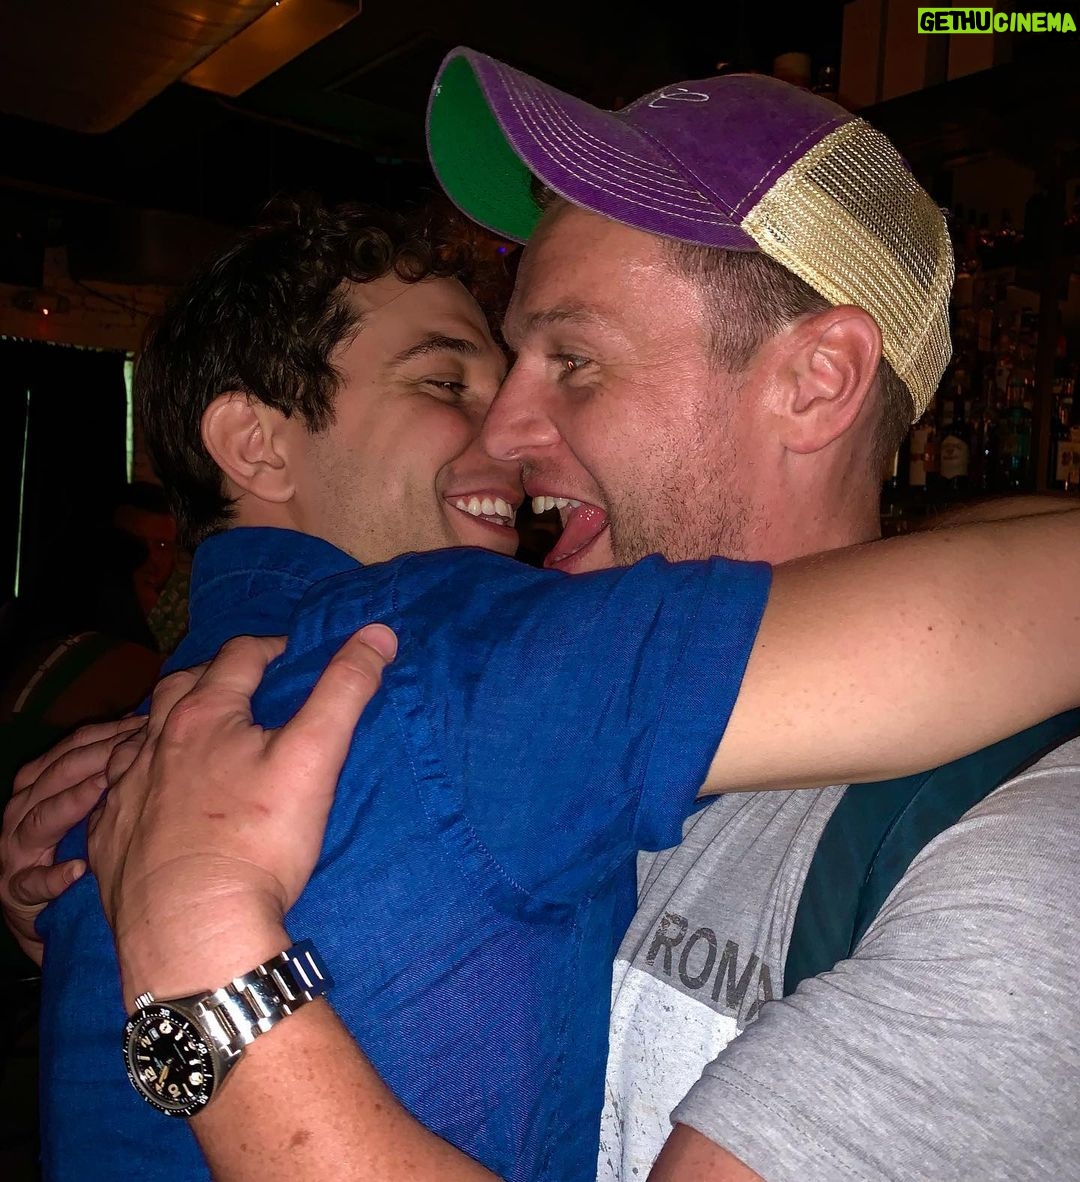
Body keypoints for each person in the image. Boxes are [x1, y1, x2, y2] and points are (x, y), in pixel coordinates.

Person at [6, 56, 1080, 1182]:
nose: (505, 436)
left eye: (572, 360)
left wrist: (193, 948)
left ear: (815, 382)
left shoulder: (1016, 839)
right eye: (470, 376)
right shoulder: (461, 670)